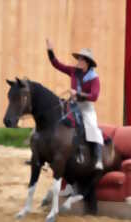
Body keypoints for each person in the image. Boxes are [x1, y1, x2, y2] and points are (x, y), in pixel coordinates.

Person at [46, 39, 104, 170]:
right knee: (56, 118)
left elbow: (94, 96)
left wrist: (77, 93)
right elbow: (57, 64)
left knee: (92, 127)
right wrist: (50, 51)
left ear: (87, 63)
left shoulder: (94, 78)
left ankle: (98, 158)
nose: (78, 61)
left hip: (86, 106)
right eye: (78, 59)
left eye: (81, 59)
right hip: (72, 104)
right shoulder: (73, 71)